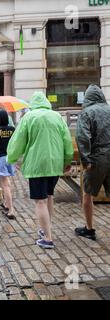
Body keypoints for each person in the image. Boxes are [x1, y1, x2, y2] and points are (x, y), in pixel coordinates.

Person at [7, 92, 73, 249]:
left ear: (33, 104)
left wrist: (12, 158)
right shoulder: (57, 117)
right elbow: (67, 140)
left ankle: (48, 238)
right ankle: (45, 231)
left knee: (40, 201)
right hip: (55, 164)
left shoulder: (29, 118)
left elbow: (17, 141)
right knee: (49, 197)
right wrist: (67, 161)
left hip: (37, 164)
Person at [75, 84, 110, 241]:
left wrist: (86, 160)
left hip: (97, 159)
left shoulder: (86, 113)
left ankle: (89, 229)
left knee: (87, 194)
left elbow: (83, 137)